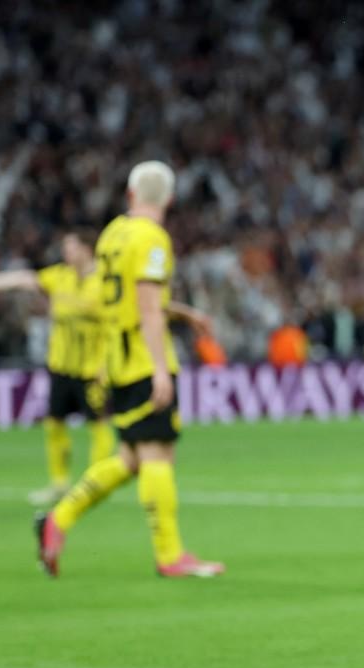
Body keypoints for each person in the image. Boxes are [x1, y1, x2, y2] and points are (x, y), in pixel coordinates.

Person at [35, 161, 224, 578]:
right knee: (158, 453)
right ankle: (170, 555)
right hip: (142, 358)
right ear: (169, 200)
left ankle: (58, 519)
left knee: (131, 458)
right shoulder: (153, 238)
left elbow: (115, 300)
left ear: (131, 193)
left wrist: (182, 312)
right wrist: (159, 369)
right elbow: (146, 307)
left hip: (115, 359)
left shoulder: (112, 235)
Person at [0, 232, 115, 504]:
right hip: (61, 366)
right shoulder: (59, 276)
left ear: (86, 249)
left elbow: (116, 326)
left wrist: (107, 365)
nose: (66, 253)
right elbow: (24, 279)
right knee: (54, 423)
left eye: (70, 248)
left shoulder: (104, 283)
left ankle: (98, 481)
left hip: (92, 370)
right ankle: (59, 483)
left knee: (98, 424)